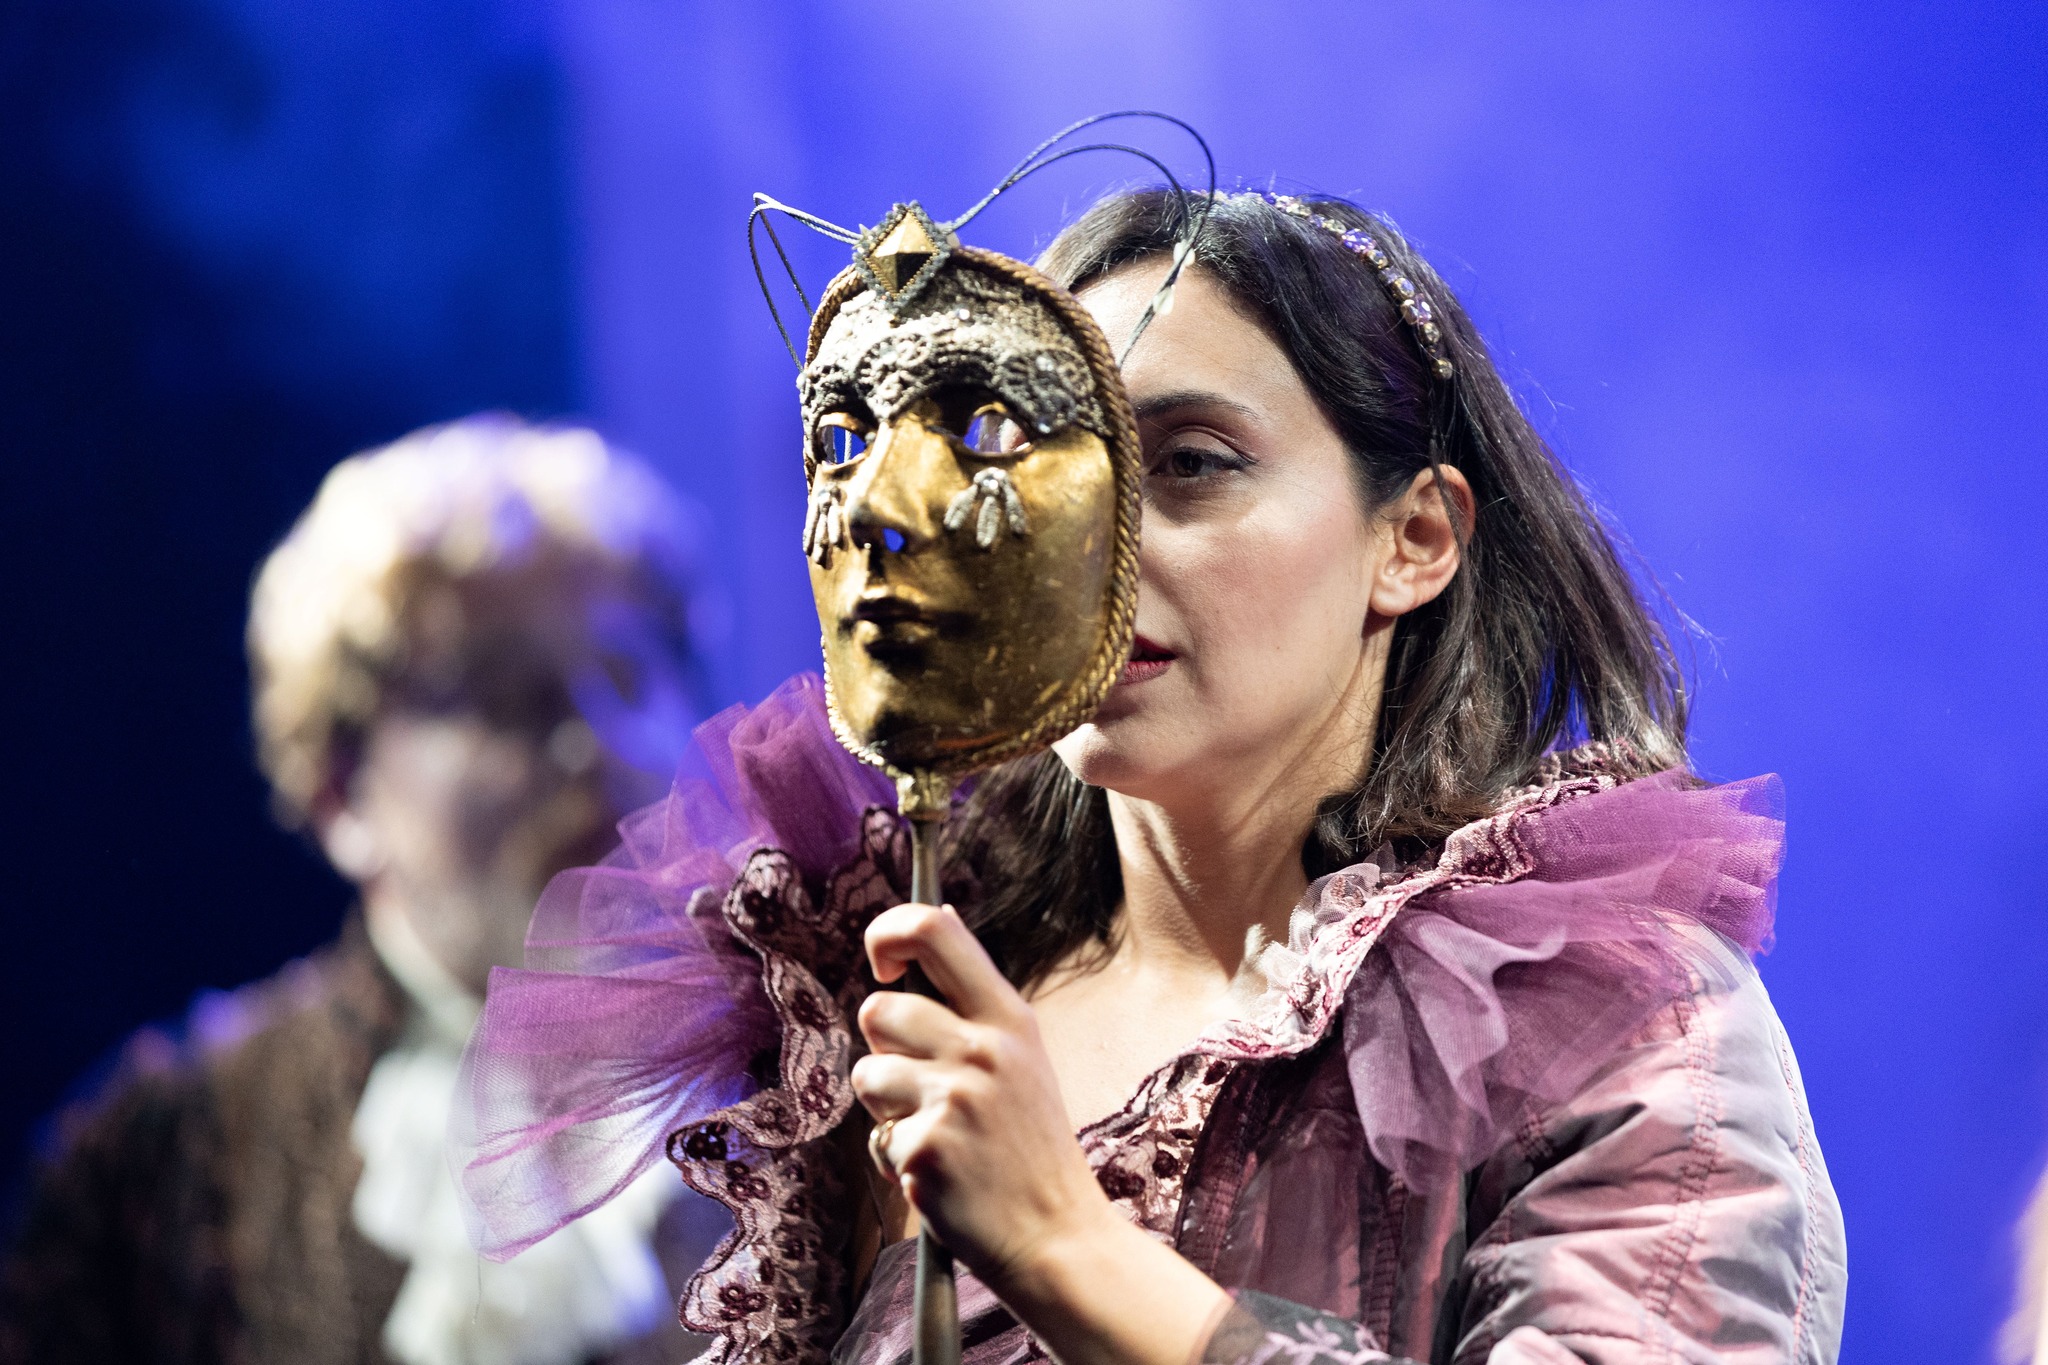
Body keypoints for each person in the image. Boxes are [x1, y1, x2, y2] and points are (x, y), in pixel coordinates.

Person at [457, 189, 1848, 1365]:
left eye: (1189, 465)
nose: (1094, 550)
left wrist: (1067, 1246)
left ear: (1413, 539)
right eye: (1037, 467)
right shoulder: (883, 998)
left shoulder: (1592, 1011)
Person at [0, 415, 722, 1365]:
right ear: (340, 790)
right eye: (504, 695)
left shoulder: (807, 1067)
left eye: (630, 676)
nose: (596, 744)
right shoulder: (168, 1149)